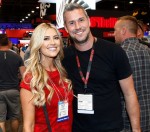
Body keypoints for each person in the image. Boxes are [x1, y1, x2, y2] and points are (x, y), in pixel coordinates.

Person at [62, 3, 141, 132]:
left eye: (81, 20)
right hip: (78, 128)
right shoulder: (64, 57)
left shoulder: (114, 52)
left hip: (110, 128)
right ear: (66, 27)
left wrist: (136, 130)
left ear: (88, 21)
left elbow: (130, 94)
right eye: (71, 23)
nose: (77, 27)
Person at [20, 23, 73, 132]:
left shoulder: (62, 72)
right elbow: (28, 126)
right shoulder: (31, 80)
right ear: (38, 44)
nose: (52, 42)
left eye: (56, 38)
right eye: (46, 39)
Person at [114, 15, 150, 132]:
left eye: (115, 30)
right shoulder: (148, 51)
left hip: (126, 118)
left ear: (123, 30)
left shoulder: (118, 54)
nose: (114, 34)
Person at [0, 34, 25, 132]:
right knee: (15, 116)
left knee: (1, 118)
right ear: (9, 43)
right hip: (14, 90)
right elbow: (24, 75)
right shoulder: (17, 57)